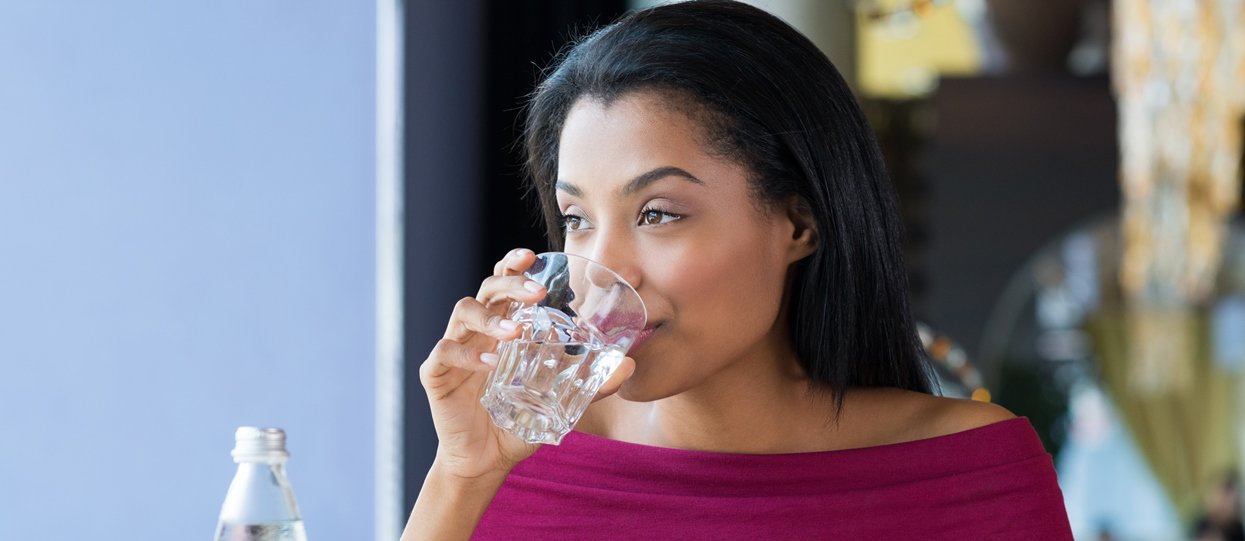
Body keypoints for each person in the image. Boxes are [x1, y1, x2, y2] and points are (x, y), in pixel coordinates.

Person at [403, 1, 1072, 539]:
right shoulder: (513, 459)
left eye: (658, 213)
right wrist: (460, 475)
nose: (598, 269)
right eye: (577, 219)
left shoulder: (969, 472)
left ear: (798, 224)